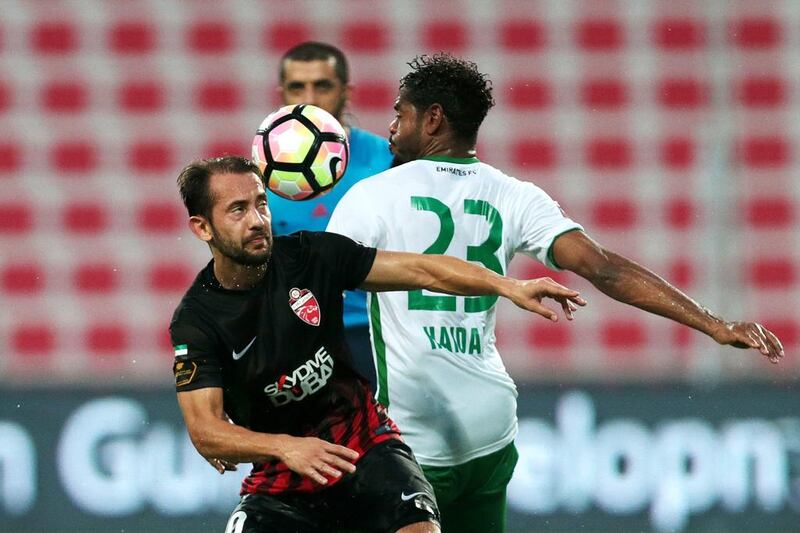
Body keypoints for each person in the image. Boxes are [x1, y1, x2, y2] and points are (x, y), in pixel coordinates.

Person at [326, 53, 785, 533]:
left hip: (416, 426)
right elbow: (603, 268)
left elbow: (318, 285)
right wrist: (714, 324)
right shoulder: (515, 194)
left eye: (402, 113)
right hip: (491, 426)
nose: (392, 127)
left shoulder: (372, 195)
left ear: (434, 118)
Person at [170, 156, 586, 532]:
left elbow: (423, 270)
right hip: (283, 479)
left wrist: (507, 285)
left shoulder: (310, 257)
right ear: (202, 226)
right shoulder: (196, 322)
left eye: (261, 203)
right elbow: (205, 431)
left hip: (366, 449)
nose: (258, 219)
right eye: (237, 210)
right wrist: (283, 446)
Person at [269, 41, 393, 392]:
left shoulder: (386, 161)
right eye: (297, 87)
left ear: (346, 91)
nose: (309, 97)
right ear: (282, 94)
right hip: (293, 339)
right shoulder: (259, 171)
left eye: (322, 85)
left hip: (372, 334)